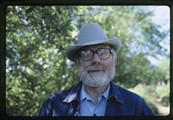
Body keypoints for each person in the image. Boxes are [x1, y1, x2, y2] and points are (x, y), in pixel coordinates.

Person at [39, 23, 154, 116]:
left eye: (103, 52)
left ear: (114, 60)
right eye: (86, 54)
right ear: (77, 63)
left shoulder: (135, 105)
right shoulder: (53, 106)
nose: (96, 60)